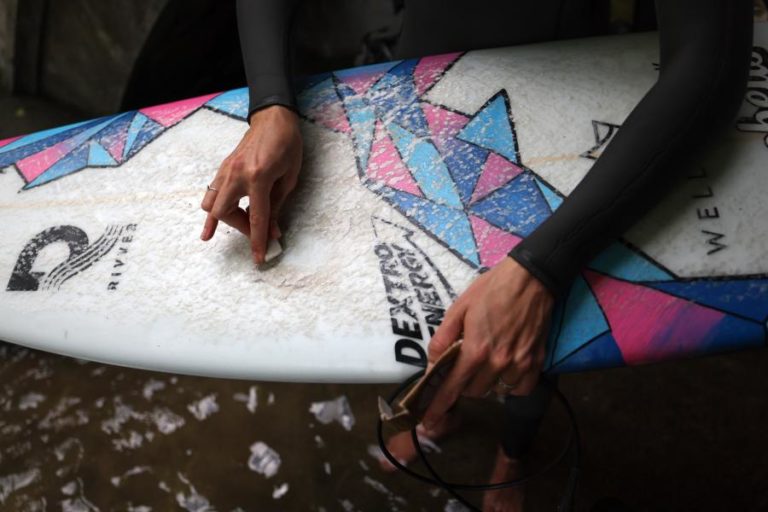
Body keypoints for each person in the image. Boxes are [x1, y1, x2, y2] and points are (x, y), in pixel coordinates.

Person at [200, 1, 752, 510]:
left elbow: (713, 63)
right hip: (423, 68)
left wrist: (545, 264)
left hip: (556, 88)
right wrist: (271, 104)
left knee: (532, 326)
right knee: (413, 284)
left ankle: (512, 455)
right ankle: (435, 410)